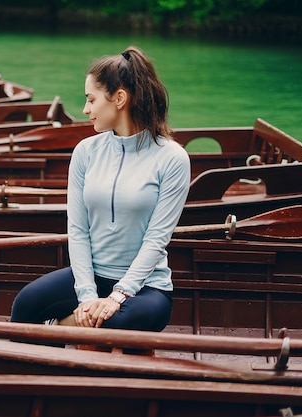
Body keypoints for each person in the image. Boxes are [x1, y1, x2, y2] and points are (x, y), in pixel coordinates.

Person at [10, 46, 191, 332]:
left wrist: (117, 296)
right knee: (25, 304)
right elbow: (78, 230)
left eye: (91, 100)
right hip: (90, 277)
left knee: (119, 320)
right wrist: (88, 296)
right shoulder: (86, 152)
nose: (86, 110)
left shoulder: (172, 158)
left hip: (145, 287)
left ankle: (59, 329)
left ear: (119, 98)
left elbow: (156, 240)